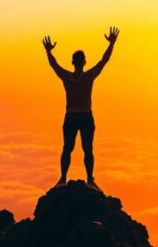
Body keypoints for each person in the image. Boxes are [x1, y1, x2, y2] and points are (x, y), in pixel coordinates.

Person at [43, 26, 119, 191]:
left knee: (67, 148)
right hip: (85, 116)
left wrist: (49, 52)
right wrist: (111, 44)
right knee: (87, 149)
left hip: (70, 116)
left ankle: (63, 178)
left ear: (72, 62)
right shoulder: (89, 76)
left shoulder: (67, 77)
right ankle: (90, 179)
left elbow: (54, 65)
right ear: (84, 62)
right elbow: (103, 61)